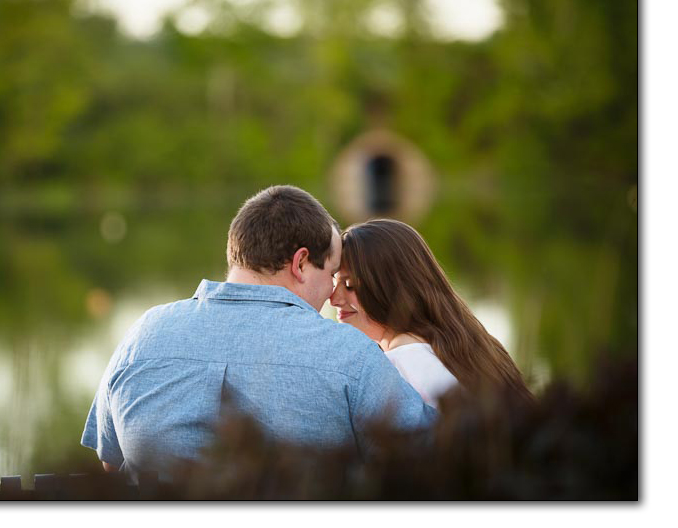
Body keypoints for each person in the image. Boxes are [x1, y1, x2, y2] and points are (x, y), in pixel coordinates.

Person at [81, 186, 435, 480]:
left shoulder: (142, 335)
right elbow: (424, 461)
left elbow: (110, 462)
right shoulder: (349, 354)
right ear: (299, 264)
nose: (332, 292)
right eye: (330, 273)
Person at [330, 218, 534, 408]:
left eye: (349, 285)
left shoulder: (403, 362)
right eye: (334, 282)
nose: (334, 299)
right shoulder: (459, 343)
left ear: (391, 287)